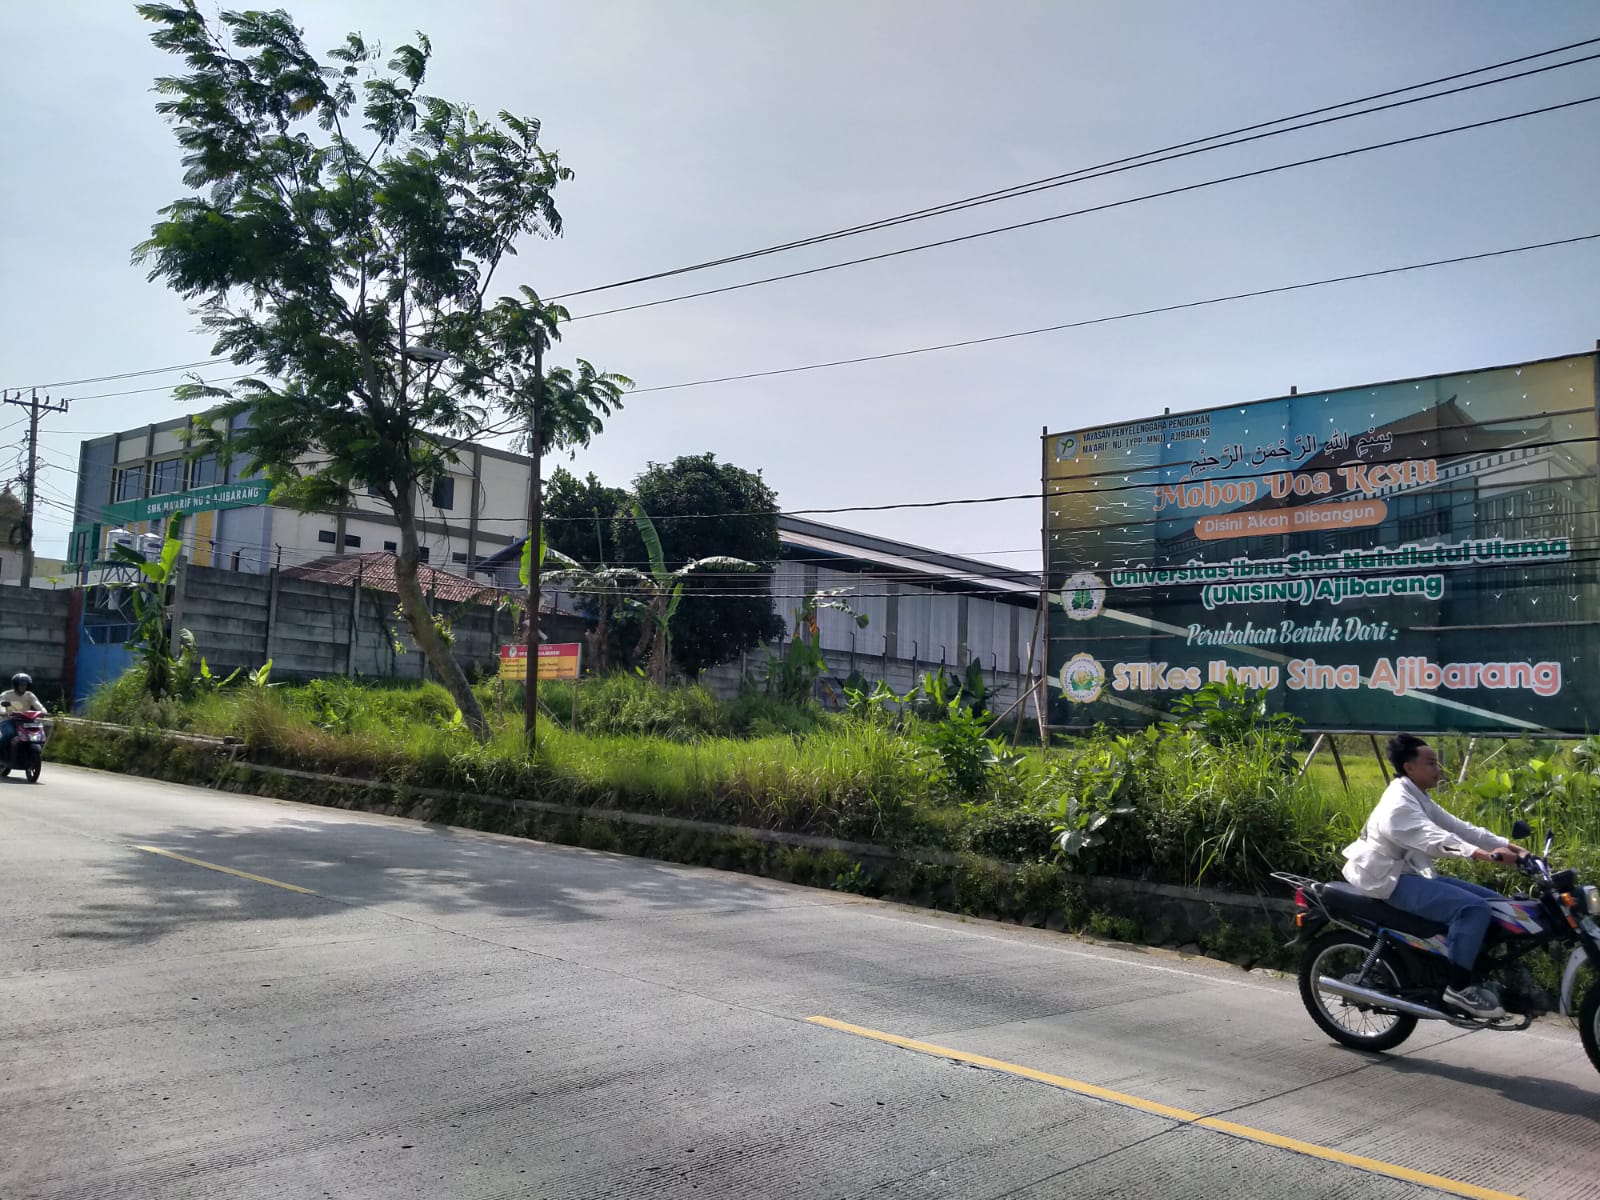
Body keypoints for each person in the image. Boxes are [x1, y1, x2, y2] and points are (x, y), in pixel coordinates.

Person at [1342, 733, 1527, 1020]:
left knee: (1496, 904)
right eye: (1431, 763)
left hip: (1409, 872)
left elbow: (1460, 828)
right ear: (1409, 767)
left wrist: (1515, 848)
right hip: (1387, 879)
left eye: (1437, 763)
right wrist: (1484, 855)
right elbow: (1434, 838)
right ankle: (1458, 987)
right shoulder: (1398, 805)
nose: (1438, 769)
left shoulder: (1416, 795)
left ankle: (1469, 965)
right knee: (1472, 909)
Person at [0, 671, 47, 761]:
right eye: (21, 685)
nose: (23, 687)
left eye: (25, 685)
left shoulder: (29, 695)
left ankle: (26, 753)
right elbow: (1, 705)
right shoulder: (6, 695)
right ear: (15, 685)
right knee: (9, 733)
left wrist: (44, 711)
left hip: (27, 721)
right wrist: (4, 712)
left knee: (37, 735)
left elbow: (38, 705)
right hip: (8, 720)